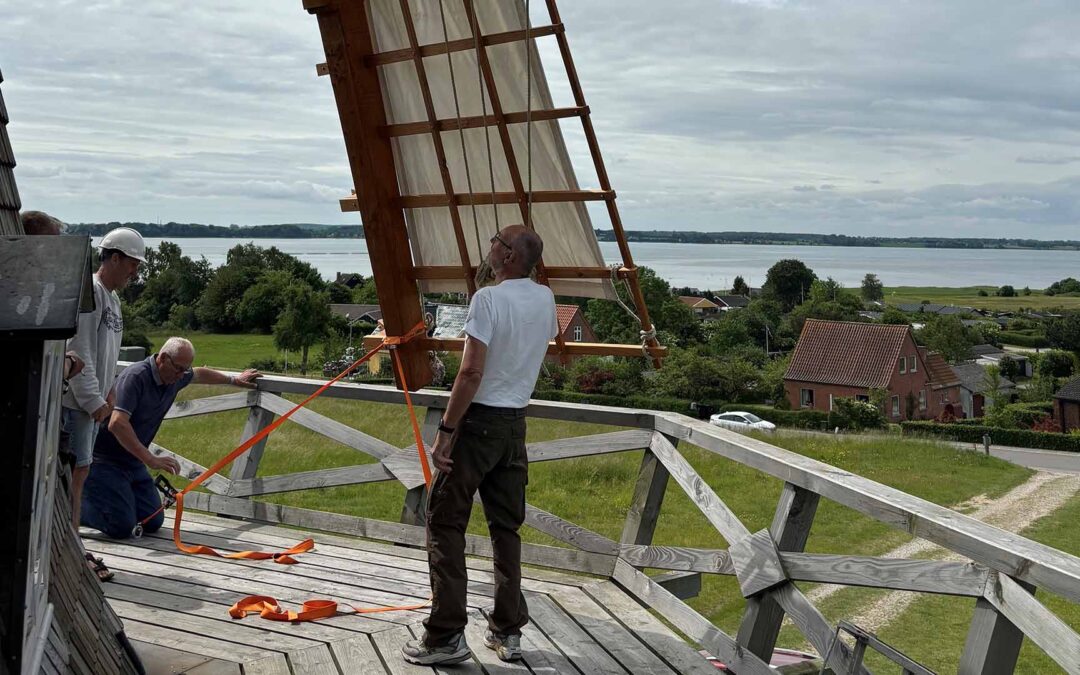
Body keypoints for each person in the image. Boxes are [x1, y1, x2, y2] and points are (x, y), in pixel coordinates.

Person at [403, 225, 558, 666]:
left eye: (495, 240)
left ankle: (446, 636)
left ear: (507, 255)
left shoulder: (488, 300)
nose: (488, 245)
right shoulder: (545, 298)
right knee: (505, 529)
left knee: (445, 521)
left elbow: (470, 373)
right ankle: (507, 632)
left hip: (479, 423)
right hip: (515, 425)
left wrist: (447, 431)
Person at [81, 337, 260, 544]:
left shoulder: (175, 375)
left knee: (153, 521)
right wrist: (151, 459)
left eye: (185, 370)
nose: (181, 375)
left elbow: (199, 374)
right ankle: (73, 505)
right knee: (121, 525)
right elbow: (117, 424)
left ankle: (113, 501)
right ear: (163, 359)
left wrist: (234, 380)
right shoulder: (136, 377)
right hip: (105, 461)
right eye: (178, 369)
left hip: (132, 462)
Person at [61, 226, 145, 580]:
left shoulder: (112, 299)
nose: (134, 272)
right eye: (131, 264)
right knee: (73, 475)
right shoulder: (91, 295)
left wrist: (109, 391)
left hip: (93, 403)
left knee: (80, 473)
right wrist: (95, 400)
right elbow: (80, 352)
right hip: (77, 404)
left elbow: (106, 353)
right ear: (113, 257)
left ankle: (72, 546)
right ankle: (71, 550)